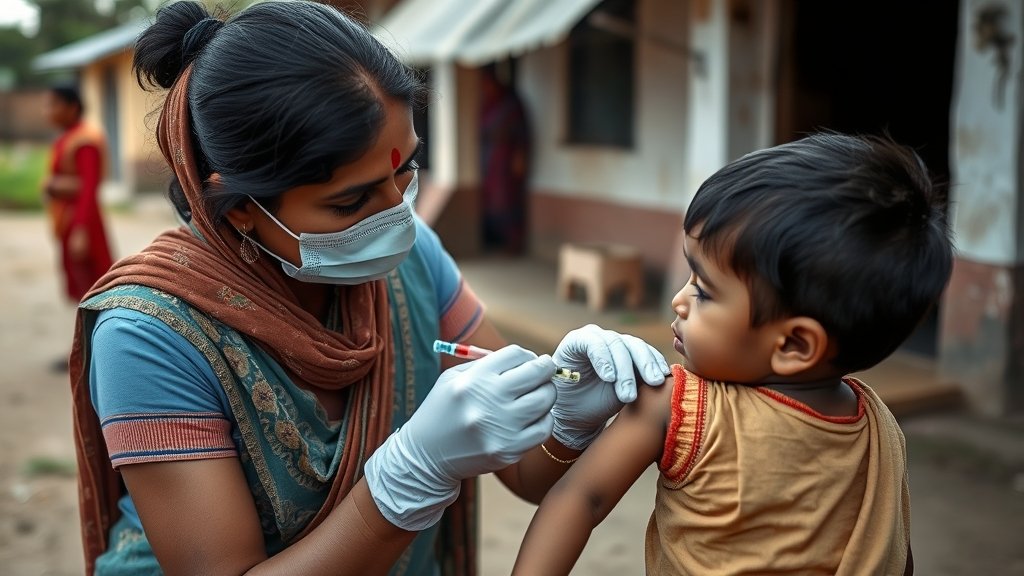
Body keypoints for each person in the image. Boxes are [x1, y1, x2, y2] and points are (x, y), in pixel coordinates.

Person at [68, 3, 669, 575]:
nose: (395, 218)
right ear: (241, 206)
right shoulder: (152, 335)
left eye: (404, 172)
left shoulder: (412, 263)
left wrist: (567, 423)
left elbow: (527, 476)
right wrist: (409, 476)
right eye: (350, 201)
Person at [513, 133, 955, 575]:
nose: (679, 301)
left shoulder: (680, 405)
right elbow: (897, 557)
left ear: (795, 345)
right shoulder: (879, 429)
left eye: (703, 291)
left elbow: (579, 498)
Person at [43, 84, 114, 368]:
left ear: (72, 106)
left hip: (82, 223)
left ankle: (93, 352)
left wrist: (81, 231)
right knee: (79, 284)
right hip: (69, 222)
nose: (47, 112)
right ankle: (87, 349)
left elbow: (88, 189)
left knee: (92, 286)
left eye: (52, 104)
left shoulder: (85, 139)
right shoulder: (68, 138)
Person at [478, 63, 529, 255]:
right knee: (492, 200)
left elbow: (522, 134)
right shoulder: (487, 105)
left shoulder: (511, 104)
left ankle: (514, 242)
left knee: (507, 199)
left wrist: (520, 157)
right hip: (491, 161)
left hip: (507, 161)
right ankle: (497, 240)